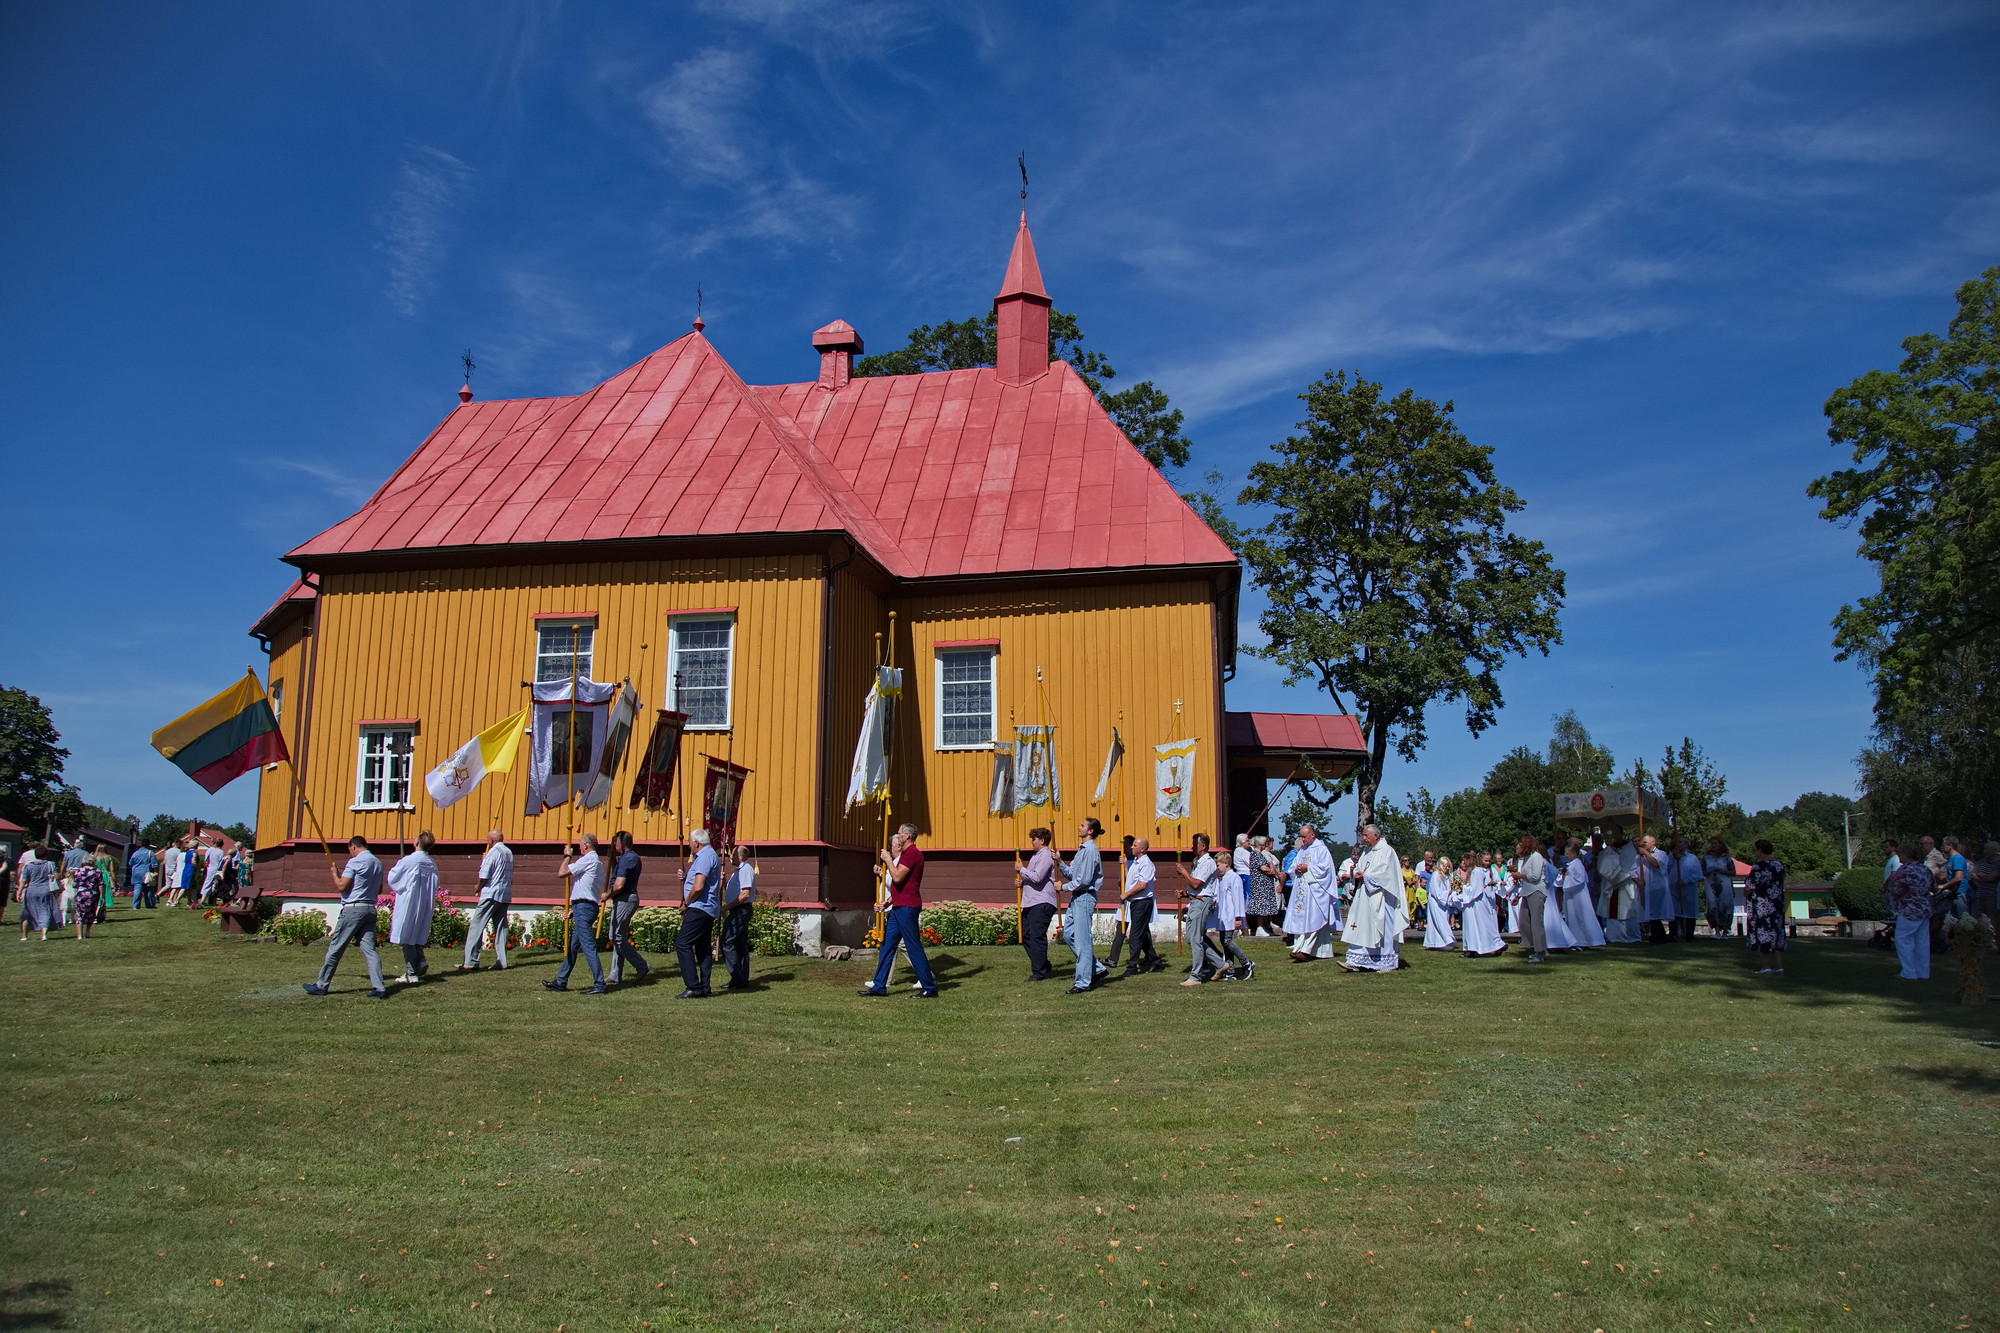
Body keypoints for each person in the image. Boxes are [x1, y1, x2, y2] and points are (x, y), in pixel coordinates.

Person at [858, 823, 939, 999]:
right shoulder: (905, 855)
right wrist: (886, 904)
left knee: (912, 946)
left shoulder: (912, 855)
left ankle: (929, 987)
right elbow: (901, 888)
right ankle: (879, 986)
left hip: (908, 908)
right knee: (887, 946)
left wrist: (887, 859)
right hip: (898, 907)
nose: (898, 835)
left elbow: (897, 877)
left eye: (900, 833)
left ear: (907, 836)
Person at [302, 836, 388, 997]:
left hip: (353, 909)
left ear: (353, 846)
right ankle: (379, 987)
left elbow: (342, 886)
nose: (350, 853)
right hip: (370, 909)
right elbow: (378, 889)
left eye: (349, 850)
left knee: (336, 947)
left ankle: (321, 985)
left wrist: (335, 874)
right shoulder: (378, 863)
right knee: (369, 950)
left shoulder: (354, 862)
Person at [543, 834, 608, 995]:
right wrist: (575, 908)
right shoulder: (597, 863)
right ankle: (561, 980)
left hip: (584, 907)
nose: (579, 848)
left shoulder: (587, 860)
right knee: (572, 947)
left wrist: (567, 856)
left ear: (586, 846)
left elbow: (562, 872)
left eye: (580, 845)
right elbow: (586, 886)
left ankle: (599, 983)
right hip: (585, 906)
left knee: (588, 946)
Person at [1338, 823, 1407, 972]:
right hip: (1364, 896)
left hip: (1382, 898)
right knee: (1361, 926)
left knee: (1381, 927)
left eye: (1366, 836)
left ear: (1376, 836)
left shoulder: (1387, 851)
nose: (1363, 839)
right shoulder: (1366, 852)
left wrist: (1366, 875)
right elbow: (1360, 866)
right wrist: (1357, 872)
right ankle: (1357, 960)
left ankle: (1385, 963)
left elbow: (1387, 874)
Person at [1055, 818, 1108, 994]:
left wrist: (1063, 887)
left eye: (1083, 825)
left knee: (1082, 941)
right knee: (1069, 934)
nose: (1079, 827)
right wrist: (1060, 862)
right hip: (1077, 897)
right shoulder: (1082, 850)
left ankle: (1083, 982)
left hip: (1084, 897)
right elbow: (1073, 874)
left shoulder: (1091, 850)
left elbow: (1083, 880)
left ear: (1091, 831)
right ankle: (1097, 968)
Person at [670, 829, 719, 999]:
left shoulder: (705, 856)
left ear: (696, 842)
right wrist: (686, 876)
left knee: (683, 944)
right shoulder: (706, 855)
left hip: (699, 907)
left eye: (690, 842)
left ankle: (693, 986)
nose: (689, 844)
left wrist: (686, 902)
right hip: (707, 908)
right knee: (703, 949)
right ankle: (705, 988)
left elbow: (698, 886)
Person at [1177, 833, 1229, 986]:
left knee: (1195, 939)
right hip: (1196, 901)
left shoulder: (1207, 862)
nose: (1192, 847)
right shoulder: (1199, 863)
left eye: (1195, 844)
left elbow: (1197, 884)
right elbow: (1195, 888)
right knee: (1193, 939)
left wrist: (1184, 872)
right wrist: (1185, 893)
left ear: (1203, 846)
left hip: (1202, 903)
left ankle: (1196, 976)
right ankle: (1219, 963)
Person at [387, 832, 439, 984]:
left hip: (410, 902)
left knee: (407, 934)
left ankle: (411, 972)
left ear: (417, 843)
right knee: (416, 933)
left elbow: (393, 878)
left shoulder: (409, 860)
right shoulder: (430, 862)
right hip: (424, 903)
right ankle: (420, 960)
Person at [1281, 825, 1338, 962]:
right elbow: (1292, 867)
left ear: (1312, 835)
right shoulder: (1302, 851)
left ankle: (1305, 950)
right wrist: (1297, 868)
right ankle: (1305, 949)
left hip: (1316, 892)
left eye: (1304, 837)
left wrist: (1308, 868)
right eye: (1300, 836)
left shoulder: (1321, 849)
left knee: (1315, 919)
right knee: (1304, 920)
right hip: (1302, 892)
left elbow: (1326, 870)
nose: (1302, 839)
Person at [604, 831, 652, 987]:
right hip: (623, 899)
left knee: (615, 935)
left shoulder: (628, 858)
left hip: (625, 898)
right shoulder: (625, 858)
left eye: (616, 843)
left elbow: (619, 884)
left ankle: (641, 965)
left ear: (622, 843)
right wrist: (612, 859)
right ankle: (615, 974)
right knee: (619, 936)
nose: (614, 845)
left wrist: (606, 895)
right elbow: (616, 874)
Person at [460, 829, 513, 972]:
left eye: (487, 839)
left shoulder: (493, 852)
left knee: (476, 925)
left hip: (491, 893)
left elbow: (485, 874)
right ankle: (502, 960)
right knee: (501, 927)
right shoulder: (508, 852)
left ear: (491, 840)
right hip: (505, 893)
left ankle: (471, 960)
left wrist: (478, 887)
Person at [1882, 842, 1935, 981]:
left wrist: (1889, 889)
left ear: (1905, 855)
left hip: (1909, 909)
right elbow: (1933, 886)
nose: (1898, 857)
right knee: (1922, 941)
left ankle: (1909, 972)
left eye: (1900, 854)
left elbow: (1898, 889)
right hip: (1924, 908)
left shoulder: (1905, 870)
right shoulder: (1925, 869)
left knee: (1903, 938)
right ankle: (1923, 972)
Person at [1016, 828, 1060, 982]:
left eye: (1033, 839)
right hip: (1030, 901)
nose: (1031, 842)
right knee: (1025, 934)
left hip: (1042, 902)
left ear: (1042, 840)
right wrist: (1022, 882)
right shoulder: (1036, 856)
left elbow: (1038, 877)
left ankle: (1039, 972)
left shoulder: (1046, 856)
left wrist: (1022, 870)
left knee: (1036, 936)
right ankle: (1043, 964)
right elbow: (1031, 878)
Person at [1209, 845, 1254, 981]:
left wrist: (1238, 917)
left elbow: (1238, 899)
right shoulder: (1221, 879)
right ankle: (1230, 971)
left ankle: (1246, 962)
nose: (1217, 868)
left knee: (1227, 941)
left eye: (1218, 865)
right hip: (1223, 916)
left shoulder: (1234, 878)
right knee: (1224, 942)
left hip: (1231, 915)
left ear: (1226, 864)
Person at [1744, 837, 1788, 976]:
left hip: (1761, 906)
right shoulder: (1779, 866)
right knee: (1777, 935)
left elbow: (1750, 886)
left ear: (1760, 850)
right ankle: (1779, 966)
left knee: (1763, 935)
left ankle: (1766, 966)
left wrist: (1747, 893)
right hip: (1776, 905)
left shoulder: (1759, 867)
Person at [1119, 836, 1162, 975]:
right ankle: (1155, 961)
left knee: (1135, 935)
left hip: (1142, 902)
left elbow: (1142, 885)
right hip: (1135, 901)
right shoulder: (1136, 863)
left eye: (1134, 845)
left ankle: (1132, 966)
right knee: (1142, 934)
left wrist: (1126, 894)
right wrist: (1125, 866)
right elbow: (1131, 880)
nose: (1131, 847)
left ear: (1142, 849)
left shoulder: (1146, 864)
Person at [719, 844, 757, 991]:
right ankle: (741, 979)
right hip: (737, 909)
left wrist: (726, 908)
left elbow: (744, 894)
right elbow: (734, 891)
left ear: (740, 857)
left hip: (740, 910)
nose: (730, 857)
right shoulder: (738, 871)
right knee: (739, 944)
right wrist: (724, 883)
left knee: (727, 941)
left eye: (733, 855)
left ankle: (737, 977)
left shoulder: (746, 870)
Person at [1557, 839, 1606, 947]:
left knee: (1580, 917)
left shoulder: (1577, 864)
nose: (1566, 856)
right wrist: (1563, 878)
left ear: (1574, 854)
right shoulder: (1571, 864)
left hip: (1578, 896)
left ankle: (1583, 940)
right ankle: (1577, 940)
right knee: (1573, 917)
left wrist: (1566, 884)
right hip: (1572, 896)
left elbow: (1579, 880)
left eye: (1567, 854)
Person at [1458, 853, 1505, 957]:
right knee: (1478, 926)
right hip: (1477, 901)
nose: (1464, 863)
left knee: (1479, 925)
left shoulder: (1477, 871)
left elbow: (1475, 890)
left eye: (1466, 861)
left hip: (1476, 902)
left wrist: (1463, 889)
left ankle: (1493, 945)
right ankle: (1474, 948)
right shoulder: (1477, 871)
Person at [1599, 831, 1639, 944]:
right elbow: (1602, 865)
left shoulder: (1629, 848)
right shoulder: (1608, 850)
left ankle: (1632, 936)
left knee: (1628, 911)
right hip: (1612, 885)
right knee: (1613, 912)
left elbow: (1631, 864)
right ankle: (1615, 936)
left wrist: (1623, 874)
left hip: (1626, 883)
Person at [1516, 836, 1549, 963]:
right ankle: (1536, 946)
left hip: (1536, 891)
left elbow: (1535, 876)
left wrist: (1521, 875)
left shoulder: (1536, 857)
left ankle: (1540, 952)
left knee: (1536, 923)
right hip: (1527, 891)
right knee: (1524, 921)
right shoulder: (1527, 858)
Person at [1636, 834, 1672, 946]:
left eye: (1645, 842)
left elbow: (1656, 864)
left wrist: (1646, 854)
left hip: (1657, 886)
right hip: (1646, 887)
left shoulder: (1661, 854)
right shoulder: (1639, 856)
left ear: (1653, 842)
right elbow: (1634, 870)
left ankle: (1657, 936)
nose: (1643, 844)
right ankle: (1659, 936)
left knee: (1655, 912)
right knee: (1650, 911)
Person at [17, 848, 59, 942]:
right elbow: (56, 876)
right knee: (45, 911)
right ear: (45, 855)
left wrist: (19, 892)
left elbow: (24, 880)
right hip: (45, 889)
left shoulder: (28, 866)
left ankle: (24, 936)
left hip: (31, 890)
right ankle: (44, 934)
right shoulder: (50, 864)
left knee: (27, 912)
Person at [1667, 835, 1703, 943]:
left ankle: (1689, 935)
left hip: (1688, 890)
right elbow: (1665, 870)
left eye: (1681, 842)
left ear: (1686, 845)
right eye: (1677, 842)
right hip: (1673, 890)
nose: (1679, 844)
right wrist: (1674, 858)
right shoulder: (1670, 857)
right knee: (1674, 913)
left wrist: (1686, 881)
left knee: (1689, 913)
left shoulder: (1692, 858)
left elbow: (1698, 875)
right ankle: (1673, 934)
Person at [1244, 836, 1283, 935]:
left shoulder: (1259, 854)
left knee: (1264, 906)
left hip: (1264, 885)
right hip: (1260, 886)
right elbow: (1263, 868)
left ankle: (1263, 927)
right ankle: (1260, 927)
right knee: (1261, 906)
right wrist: (1274, 873)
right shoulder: (1256, 854)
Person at [1702, 837, 1737, 938]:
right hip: (1710, 883)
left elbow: (1733, 872)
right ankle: (1716, 930)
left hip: (1724, 882)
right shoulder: (1706, 857)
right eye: (1712, 843)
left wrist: (1723, 871)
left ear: (1720, 845)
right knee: (1712, 905)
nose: (1713, 845)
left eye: (1715, 843)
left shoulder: (1726, 857)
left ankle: (1725, 930)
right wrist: (1708, 872)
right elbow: (1702, 870)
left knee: (1725, 905)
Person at [1422, 855, 1458, 950]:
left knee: (1443, 920)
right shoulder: (1436, 875)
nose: (1448, 868)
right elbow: (1435, 891)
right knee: (1439, 921)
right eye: (1446, 866)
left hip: (1443, 902)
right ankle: (1447, 939)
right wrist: (1447, 893)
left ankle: (1439, 942)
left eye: (1448, 866)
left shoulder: (1446, 876)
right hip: (1436, 902)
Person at [1968, 840, 2000, 921]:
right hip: (1979, 896)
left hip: (1992, 898)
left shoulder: (1998, 863)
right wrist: (1983, 878)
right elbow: (1972, 875)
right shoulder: (1982, 861)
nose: (1984, 851)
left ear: (1994, 850)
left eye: (1986, 849)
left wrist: (1980, 875)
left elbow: (1991, 878)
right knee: (1976, 920)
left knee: (1993, 920)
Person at [128, 843, 158, 911]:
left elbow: (130, 863)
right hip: (146, 873)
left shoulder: (135, 853)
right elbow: (154, 864)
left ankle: (135, 905)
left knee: (137, 889)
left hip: (136, 873)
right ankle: (149, 905)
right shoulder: (150, 853)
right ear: (148, 845)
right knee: (149, 890)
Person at [199, 839, 227, 906]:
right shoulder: (221, 852)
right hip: (216, 868)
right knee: (213, 884)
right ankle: (204, 900)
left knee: (208, 883)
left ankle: (204, 899)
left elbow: (207, 859)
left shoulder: (211, 850)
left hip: (210, 867)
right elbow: (220, 861)